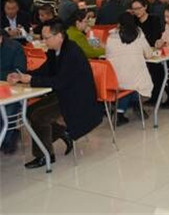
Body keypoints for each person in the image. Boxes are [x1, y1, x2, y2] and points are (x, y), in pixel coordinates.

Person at [7, 20, 102, 169]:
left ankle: (44, 155)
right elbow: (45, 71)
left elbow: (60, 81)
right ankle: (59, 135)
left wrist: (31, 80)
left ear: (59, 36)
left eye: (47, 38)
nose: (44, 41)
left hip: (78, 97)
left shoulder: (71, 52)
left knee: (39, 116)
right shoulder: (54, 50)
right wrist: (22, 77)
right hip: (64, 92)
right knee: (30, 111)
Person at [106, 12, 154, 125]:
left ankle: (123, 110)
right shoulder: (139, 34)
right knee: (135, 86)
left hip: (114, 81)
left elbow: (107, 56)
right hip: (137, 81)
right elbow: (148, 54)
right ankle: (129, 108)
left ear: (118, 24)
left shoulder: (111, 37)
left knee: (127, 85)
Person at [131, 0, 165, 106]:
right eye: (134, 9)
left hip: (153, 51)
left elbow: (155, 38)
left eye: (138, 8)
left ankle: (157, 96)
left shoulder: (154, 20)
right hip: (138, 53)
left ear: (145, 7)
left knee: (157, 69)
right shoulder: (133, 21)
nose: (136, 11)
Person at [0, 30, 26, 154]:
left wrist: (6, 76)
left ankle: (8, 138)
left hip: (13, 90)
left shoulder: (15, 48)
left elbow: (18, 71)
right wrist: (4, 75)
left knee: (8, 111)